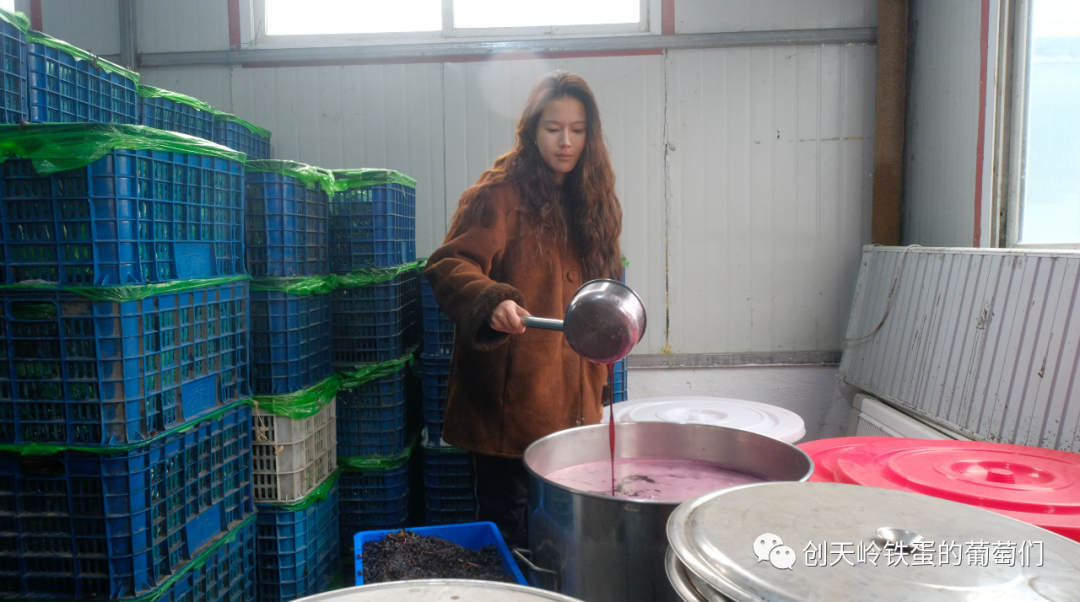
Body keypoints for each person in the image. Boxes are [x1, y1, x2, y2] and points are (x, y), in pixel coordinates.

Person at [424, 72, 623, 547]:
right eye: (553, 128)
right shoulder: (500, 194)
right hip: (509, 408)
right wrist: (491, 299)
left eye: (577, 130)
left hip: (574, 402)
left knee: (564, 530)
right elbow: (449, 263)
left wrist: (601, 380)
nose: (565, 141)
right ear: (532, 130)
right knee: (509, 529)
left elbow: (606, 295)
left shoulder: (594, 204)